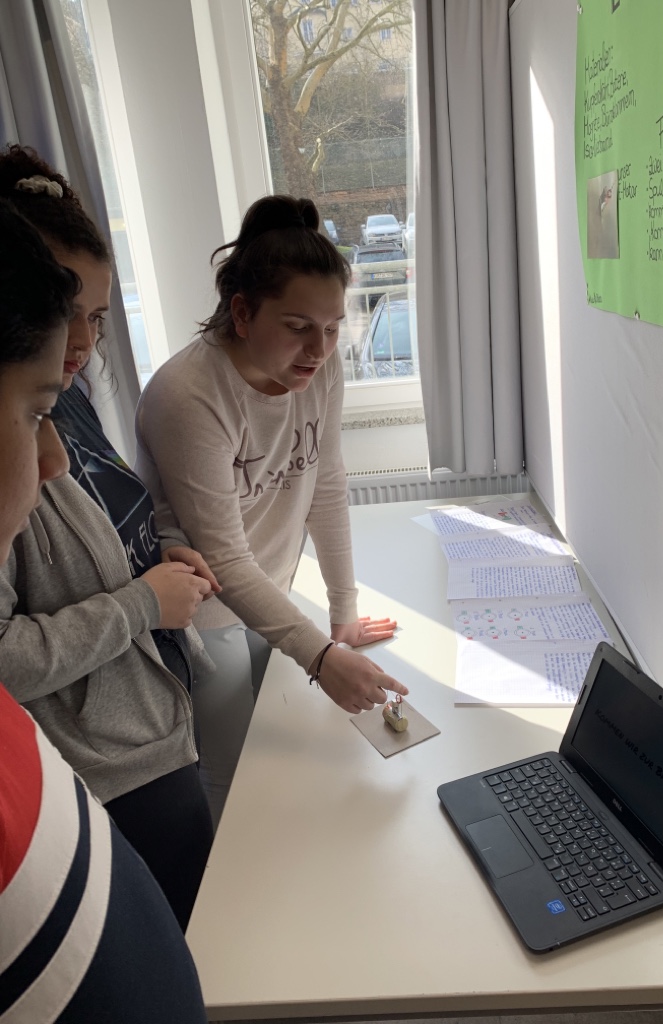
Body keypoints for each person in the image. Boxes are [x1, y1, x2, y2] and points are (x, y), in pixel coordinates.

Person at [135, 194, 409, 827]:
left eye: (333, 327)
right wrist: (320, 655)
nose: (319, 348)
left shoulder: (318, 368)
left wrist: (341, 616)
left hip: (270, 584)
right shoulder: (188, 396)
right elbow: (224, 557)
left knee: (291, 750)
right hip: (205, 610)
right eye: (297, 326)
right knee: (237, 779)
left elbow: (325, 482)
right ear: (242, 312)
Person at [0, 198, 207, 1023]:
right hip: (111, 757)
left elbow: (114, 520)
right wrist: (141, 602)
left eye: (96, 317)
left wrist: (158, 561)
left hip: (149, 721)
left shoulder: (76, 401)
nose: (84, 339)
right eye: (32, 415)